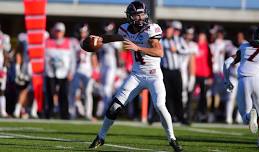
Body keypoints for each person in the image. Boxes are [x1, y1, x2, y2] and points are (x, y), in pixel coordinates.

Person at [84, 1, 183, 151]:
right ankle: (100, 137)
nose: (140, 17)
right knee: (114, 107)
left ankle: (172, 139)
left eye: (142, 13)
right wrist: (99, 38)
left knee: (159, 106)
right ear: (130, 17)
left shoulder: (152, 29)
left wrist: (138, 48)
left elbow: (159, 52)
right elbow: (116, 37)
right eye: (137, 14)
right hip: (136, 75)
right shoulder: (125, 29)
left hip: (154, 75)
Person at [223, 25, 259, 150]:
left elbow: (227, 62)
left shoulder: (244, 47)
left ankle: (250, 116)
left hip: (243, 81)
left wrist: (227, 80)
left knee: (245, 118)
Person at [45, 22, 79, 119]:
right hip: (50, 72)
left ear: (63, 32)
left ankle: (64, 114)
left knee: (63, 93)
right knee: (50, 93)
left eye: (59, 31)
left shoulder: (69, 42)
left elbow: (72, 59)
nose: (58, 33)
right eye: (56, 31)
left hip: (64, 73)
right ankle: (49, 113)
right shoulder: (47, 42)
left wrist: (71, 72)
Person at [160, 22, 184, 124]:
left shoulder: (179, 40)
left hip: (176, 70)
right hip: (166, 70)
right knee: (168, 95)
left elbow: (186, 50)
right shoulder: (161, 41)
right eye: (166, 30)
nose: (168, 31)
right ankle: (171, 116)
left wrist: (177, 49)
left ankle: (181, 116)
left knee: (178, 94)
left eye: (169, 29)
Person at [0, 25, 11, 117]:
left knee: (1, 89)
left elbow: (6, 54)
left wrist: (3, 68)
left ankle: (2, 110)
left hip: (0, 67)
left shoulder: (4, 37)